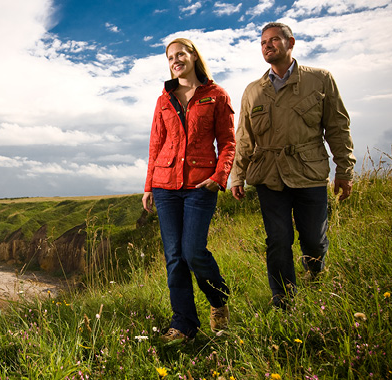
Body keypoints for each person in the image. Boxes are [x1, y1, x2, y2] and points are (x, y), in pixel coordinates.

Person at [230, 22, 355, 309]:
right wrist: (237, 175)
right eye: (263, 42)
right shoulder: (253, 91)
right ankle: (284, 301)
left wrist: (344, 171)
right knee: (278, 239)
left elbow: (337, 127)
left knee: (312, 237)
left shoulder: (320, 79)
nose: (267, 46)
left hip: (309, 171)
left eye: (274, 40)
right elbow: (245, 137)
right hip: (268, 175)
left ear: (291, 43)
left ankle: (315, 273)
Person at [142, 38, 236, 344]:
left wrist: (219, 176)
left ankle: (218, 299)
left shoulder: (216, 95)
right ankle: (183, 326)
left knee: (193, 251)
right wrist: (148, 187)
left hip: (200, 184)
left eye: (180, 54)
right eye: (170, 57)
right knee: (174, 257)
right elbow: (156, 143)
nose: (175, 60)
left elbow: (228, 142)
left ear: (194, 55)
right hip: (165, 185)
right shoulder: (163, 100)